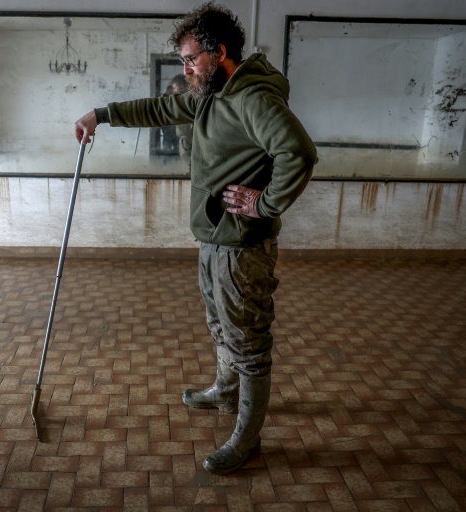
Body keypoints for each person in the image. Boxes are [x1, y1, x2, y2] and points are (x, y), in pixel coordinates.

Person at [74, 1, 317, 475]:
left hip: (242, 246)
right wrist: (99, 115)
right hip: (213, 238)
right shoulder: (212, 93)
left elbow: (299, 153)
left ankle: (248, 435)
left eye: (190, 59)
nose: (185, 69)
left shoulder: (252, 98)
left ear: (218, 52)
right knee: (219, 322)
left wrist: (263, 204)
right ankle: (225, 392)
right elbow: (161, 107)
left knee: (248, 336)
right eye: (184, 61)